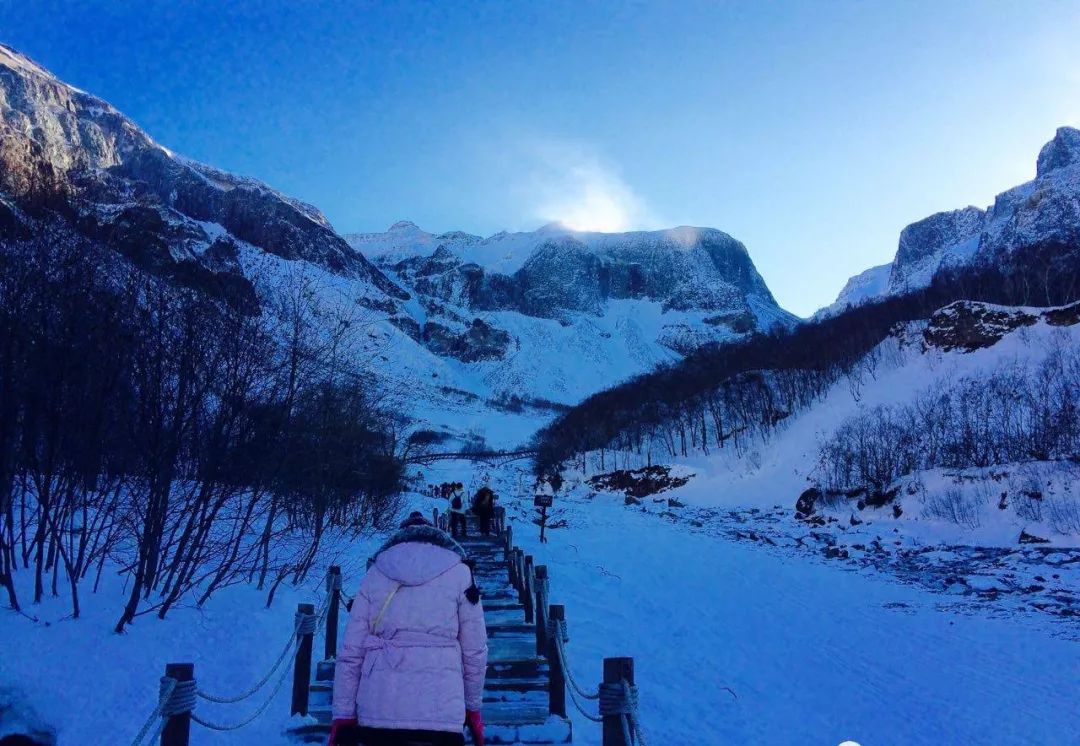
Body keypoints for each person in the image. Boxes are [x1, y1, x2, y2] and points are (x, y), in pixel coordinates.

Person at [330, 512, 488, 746]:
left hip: (378, 709)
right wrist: (472, 707)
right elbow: (474, 650)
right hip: (441, 710)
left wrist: (343, 714)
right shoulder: (460, 573)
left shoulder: (374, 574)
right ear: (436, 536)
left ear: (399, 538)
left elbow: (352, 653)